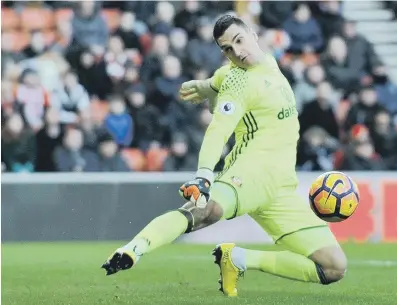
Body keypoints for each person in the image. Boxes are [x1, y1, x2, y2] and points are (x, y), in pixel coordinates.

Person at [102, 15, 347, 297]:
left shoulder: (268, 62)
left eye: (239, 41)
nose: (237, 52)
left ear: (253, 34)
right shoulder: (238, 83)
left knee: (334, 267)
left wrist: (207, 87)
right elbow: (218, 130)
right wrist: (204, 175)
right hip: (247, 175)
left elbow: (217, 79)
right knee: (204, 211)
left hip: (281, 190)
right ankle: (134, 248)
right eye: (228, 49)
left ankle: (240, 258)